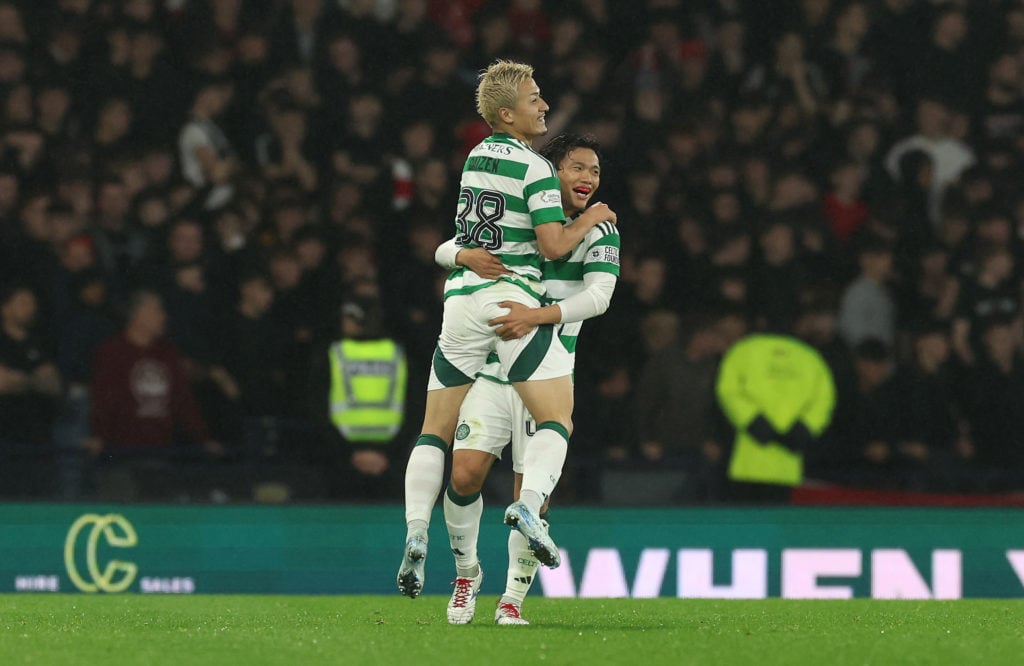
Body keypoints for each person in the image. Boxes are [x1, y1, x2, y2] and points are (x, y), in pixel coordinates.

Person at [396, 61, 615, 598]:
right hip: (510, 321)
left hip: (461, 305)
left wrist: (456, 252)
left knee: (431, 431)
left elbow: (461, 237)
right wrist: (588, 219)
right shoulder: (537, 172)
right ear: (506, 112)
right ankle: (513, 522)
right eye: (535, 98)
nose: (543, 104)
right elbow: (553, 247)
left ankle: (417, 532)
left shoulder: (475, 157)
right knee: (555, 420)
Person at [434, 133, 618, 624]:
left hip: (549, 372)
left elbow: (599, 298)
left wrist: (538, 316)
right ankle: (465, 576)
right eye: (577, 168)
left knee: (528, 495)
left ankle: (512, 599)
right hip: (494, 376)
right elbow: (454, 243)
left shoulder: (601, 232)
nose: (588, 179)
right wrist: (460, 255)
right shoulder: (522, 218)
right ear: (548, 172)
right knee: (464, 474)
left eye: (595, 172)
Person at [715, 331, 836, 503]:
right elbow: (824, 399)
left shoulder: (744, 350)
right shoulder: (809, 356)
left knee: (742, 524)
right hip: (787, 465)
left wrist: (754, 422)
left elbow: (728, 391)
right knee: (778, 525)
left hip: (745, 462)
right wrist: (802, 429)